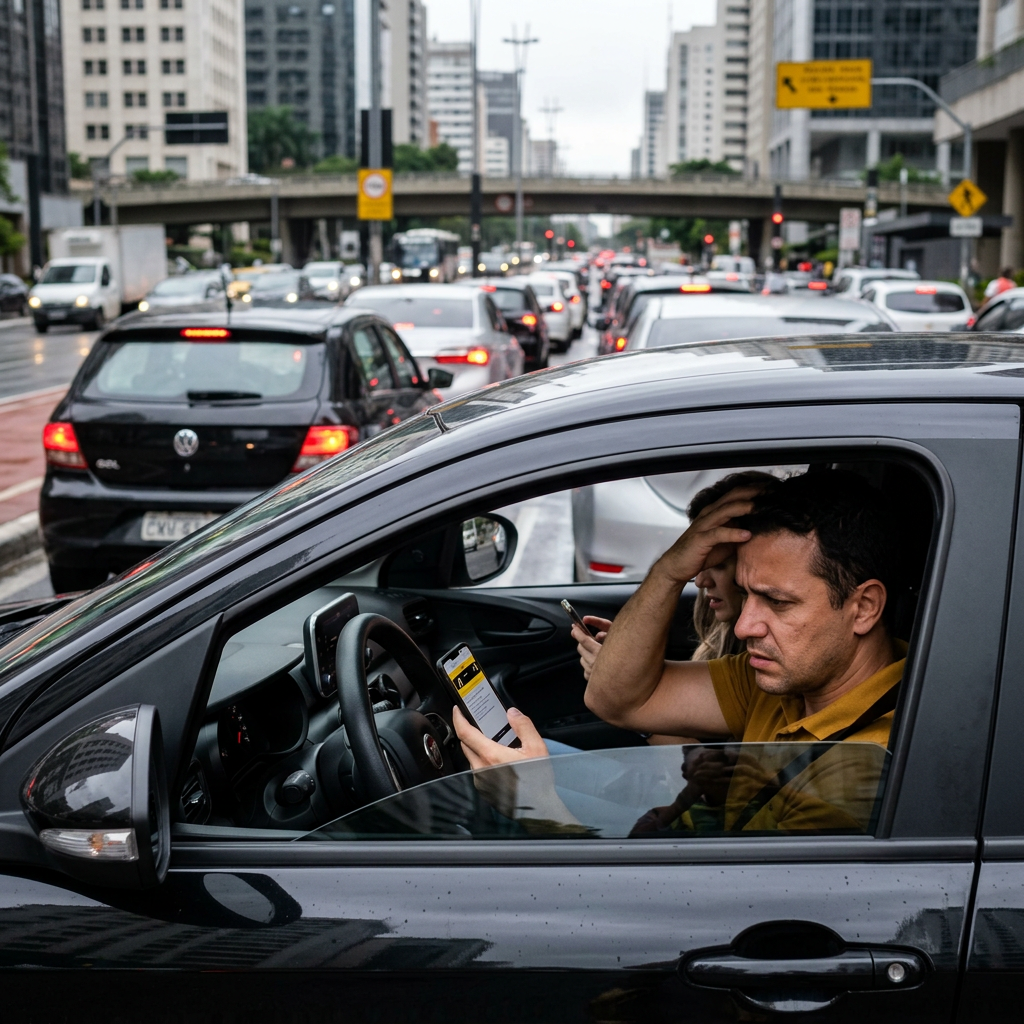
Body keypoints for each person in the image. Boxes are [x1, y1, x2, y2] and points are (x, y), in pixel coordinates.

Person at [454, 470, 905, 778]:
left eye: (777, 602)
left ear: (864, 607)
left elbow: (716, 908)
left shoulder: (863, 765)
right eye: (747, 594)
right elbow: (617, 700)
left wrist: (537, 808)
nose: (746, 627)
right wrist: (671, 568)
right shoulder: (788, 684)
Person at [577, 470, 777, 745]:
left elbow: (694, 772)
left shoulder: (770, 670)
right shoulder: (740, 669)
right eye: (699, 562)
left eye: (719, 564)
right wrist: (621, 662)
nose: (700, 580)